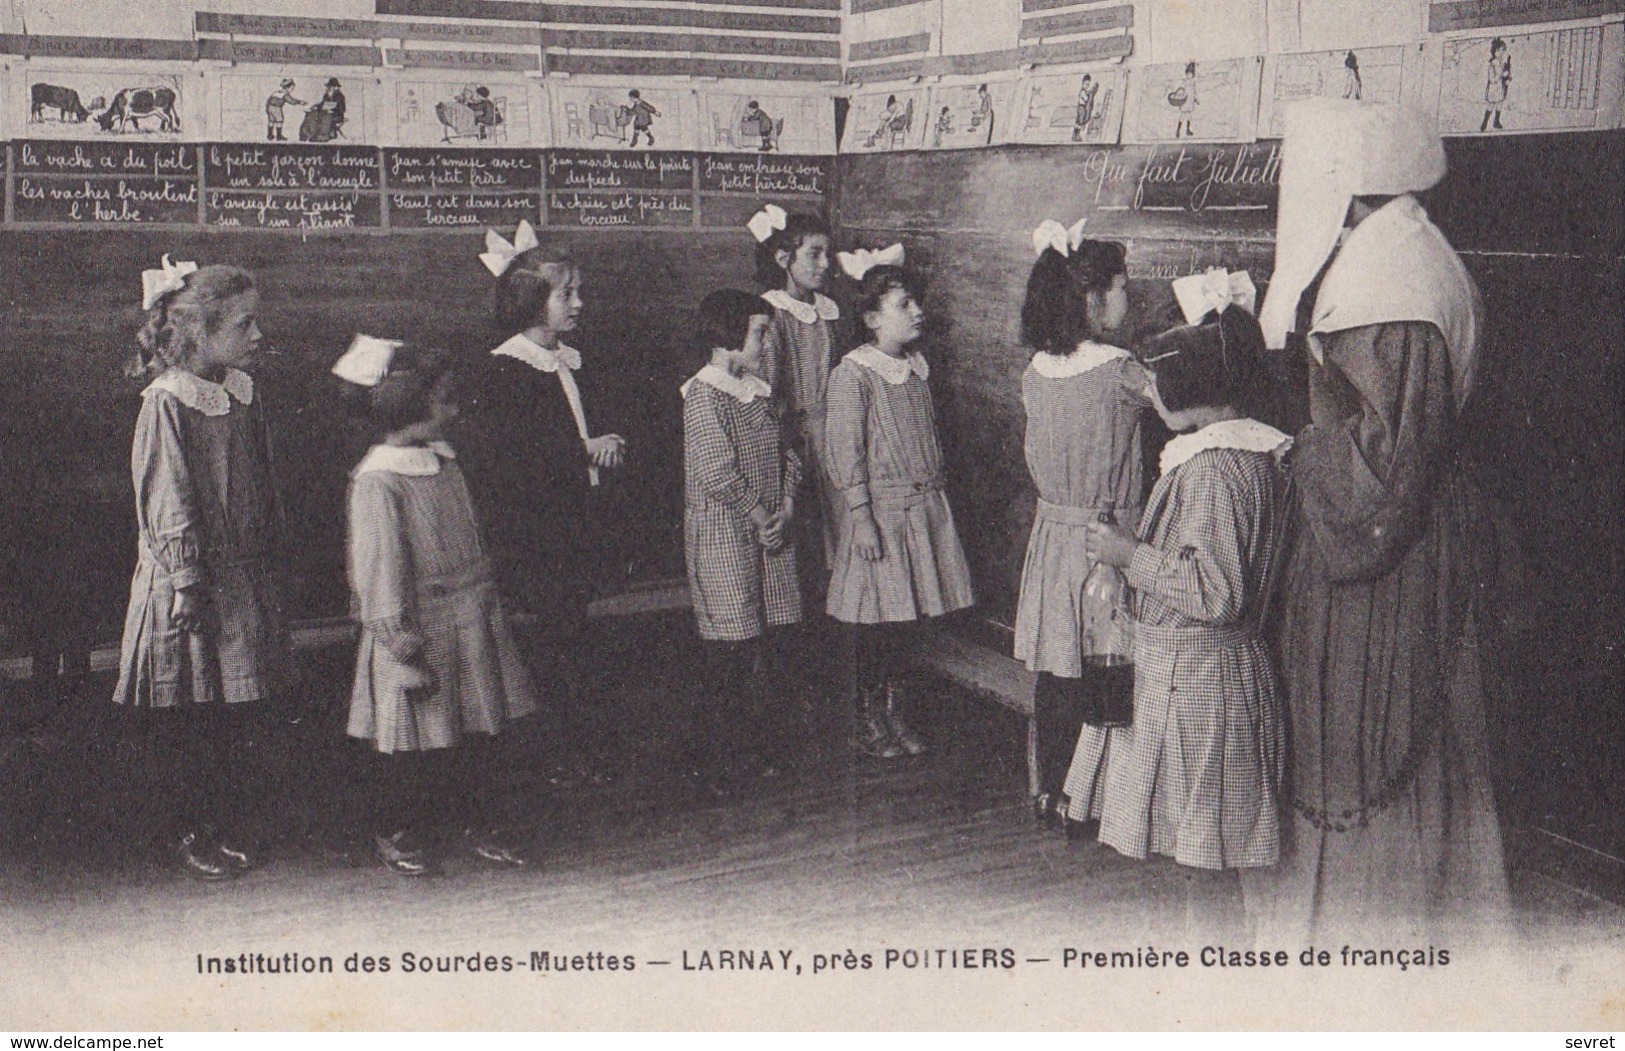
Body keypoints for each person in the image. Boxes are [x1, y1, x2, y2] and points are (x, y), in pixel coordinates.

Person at [1255, 98, 1510, 941]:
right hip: (1420, 532)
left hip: (1385, 552)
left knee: (1373, 720)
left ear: (1343, 191)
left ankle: (1373, 927)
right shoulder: (1410, 251)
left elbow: (1384, 467)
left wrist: (1298, 452)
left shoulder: (1385, 285)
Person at [1085, 305, 1292, 934]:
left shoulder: (1214, 470)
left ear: (1191, 391)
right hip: (1200, 676)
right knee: (1210, 851)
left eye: (1156, 383)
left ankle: (1221, 986)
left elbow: (1215, 591)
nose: (1148, 395)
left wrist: (1127, 556)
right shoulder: (1236, 455)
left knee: (1211, 856)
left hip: (1202, 683)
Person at [333, 338, 537, 875]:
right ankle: (397, 828)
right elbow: (377, 570)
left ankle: (480, 820)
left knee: (477, 725)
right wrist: (397, 640)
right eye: (445, 400)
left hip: (471, 612)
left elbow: (468, 532)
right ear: (409, 406)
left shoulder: (444, 461)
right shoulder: (378, 480)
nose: (454, 409)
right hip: (418, 623)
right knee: (409, 739)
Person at [112, 257, 287, 881]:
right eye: (245, 325)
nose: (258, 335)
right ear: (199, 334)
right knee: (189, 715)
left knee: (227, 710)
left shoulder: (240, 392)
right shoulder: (167, 404)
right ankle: (188, 829)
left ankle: (220, 821)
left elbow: (257, 484)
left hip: (237, 575)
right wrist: (187, 580)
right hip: (187, 582)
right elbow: (168, 501)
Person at [463, 222, 627, 783]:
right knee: (548, 642)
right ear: (532, 300)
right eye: (567, 294)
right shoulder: (505, 368)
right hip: (537, 531)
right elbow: (511, 458)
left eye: (579, 292)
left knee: (575, 637)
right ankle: (549, 755)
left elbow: (588, 425)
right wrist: (584, 449)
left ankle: (576, 748)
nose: (579, 303)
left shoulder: (573, 360)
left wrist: (608, 446)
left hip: (579, 521)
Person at [1011, 226, 1150, 834]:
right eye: (1123, 289)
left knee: (1059, 668)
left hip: (1054, 535)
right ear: (1092, 298)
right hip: (1108, 536)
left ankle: (1051, 792)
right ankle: (1096, 797)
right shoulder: (1120, 370)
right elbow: (1180, 403)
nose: (1130, 302)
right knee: (1110, 667)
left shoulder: (1037, 370)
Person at [824, 256, 975, 759]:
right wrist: (860, 516)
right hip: (882, 516)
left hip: (923, 511)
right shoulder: (854, 374)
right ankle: (868, 721)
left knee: (908, 621)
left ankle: (896, 712)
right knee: (877, 624)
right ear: (871, 318)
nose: (917, 312)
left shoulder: (915, 368)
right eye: (903, 305)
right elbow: (844, 452)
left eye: (916, 302)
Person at [681, 291, 804, 791]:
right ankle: (720, 762)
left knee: (771, 643)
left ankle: (761, 750)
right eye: (758, 332)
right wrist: (759, 514)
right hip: (725, 537)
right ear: (727, 340)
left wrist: (787, 507)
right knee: (730, 651)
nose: (765, 341)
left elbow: (790, 454)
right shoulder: (702, 396)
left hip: (771, 533)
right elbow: (715, 471)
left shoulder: (761, 391)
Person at [747, 206, 840, 602]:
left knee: (832, 536)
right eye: (814, 254)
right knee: (800, 537)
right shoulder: (772, 315)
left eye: (827, 255)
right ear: (784, 259)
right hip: (792, 438)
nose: (824, 264)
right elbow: (768, 389)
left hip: (830, 432)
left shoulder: (829, 311)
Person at [1482, 38, 1511, 132]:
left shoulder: (1502, 62)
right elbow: (1492, 79)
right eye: (1500, 51)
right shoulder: (1493, 64)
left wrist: (1508, 76)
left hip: (1500, 88)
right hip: (1494, 88)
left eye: (1503, 51)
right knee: (1491, 104)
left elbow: (1505, 73)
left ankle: (1496, 121)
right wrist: (1501, 75)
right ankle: (1485, 122)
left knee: (1500, 103)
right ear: (1495, 51)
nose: (1502, 53)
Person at [1174, 63, 1198, 138]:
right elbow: (1181, 89)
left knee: (1189, 116)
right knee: (1183, 115)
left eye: (1190, 74)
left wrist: (1196, 99)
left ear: (1192, 74)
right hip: (1185, 101)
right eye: (1187, 74)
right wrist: (1178, 95)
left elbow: (1194, 91)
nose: (1188, 75)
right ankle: (1178, 130)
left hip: (1190, 101)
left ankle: (1188, 129)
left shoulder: (1193, 82)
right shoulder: (1185, 82)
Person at [1072, 75, 1098, 142]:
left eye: (1088, 85)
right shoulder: (1083, 92)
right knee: (1080, 121)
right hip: (1081, 108)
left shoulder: (1084, 91)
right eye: (1086, 84)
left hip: (1081, 108)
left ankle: (1076, 135)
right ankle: (1077, 135)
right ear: (1082, 83)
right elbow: (1086, 99)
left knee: (1079, 121)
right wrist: (1089, 95)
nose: (1087, 86)